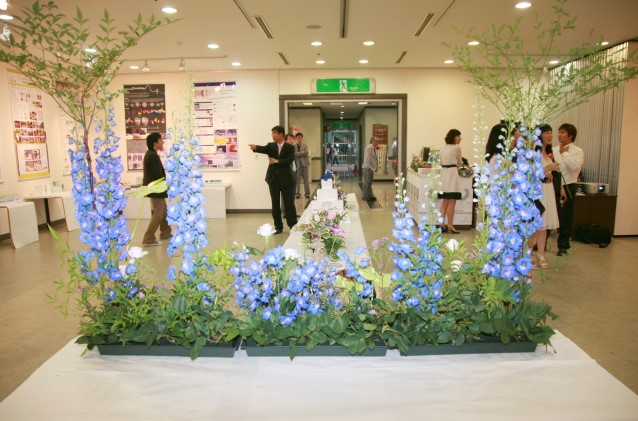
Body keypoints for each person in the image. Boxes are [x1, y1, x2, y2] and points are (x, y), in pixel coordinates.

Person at [249, 125, 297, 234]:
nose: (273, 135)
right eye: (272, 133)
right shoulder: (270, 146)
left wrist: (277, 161)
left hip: (286, 180)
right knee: (275, 204)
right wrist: (255, 147)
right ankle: (278, 226)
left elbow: (289, 160)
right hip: (273, 180)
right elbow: (263, 148)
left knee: (289, 203)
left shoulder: (290, 147)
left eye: (275, 133)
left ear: (281, 134)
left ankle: (293, 225)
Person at [528, 124, 564, 269]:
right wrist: (548, 168)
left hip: (548, 189)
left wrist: (552, 175)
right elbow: (530, 174)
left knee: (544, 225)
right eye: (546, 133)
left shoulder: (549, 153)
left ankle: (541, 254)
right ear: (539, 135)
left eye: (551, 133)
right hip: (537, 190)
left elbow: (549, 172)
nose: (550, 136)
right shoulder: (532, 153)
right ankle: (529, 254)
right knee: (535, 225)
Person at [554, 123, 584, 256]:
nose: (559, 135)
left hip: (569, 186)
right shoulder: (553, 150)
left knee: (565, 217)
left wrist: (565, 153)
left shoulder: (578, 151)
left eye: (562, 132)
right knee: (549, 213)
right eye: (558, 132)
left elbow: (574, 167)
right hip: (554, 185)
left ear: (570, 135)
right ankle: (541, 241)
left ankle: (563, 245)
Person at [142, 132, 172, 246]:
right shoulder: (152, 156)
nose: (162, 142)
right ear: (155, 143)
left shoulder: (151, 154)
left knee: (164, 212)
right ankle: (148, 239)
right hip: (156, 190)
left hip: (157, 189)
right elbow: (157, 175)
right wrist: (166, 184)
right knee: (158, 214)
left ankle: (165, 233)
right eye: (160, 140)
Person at [438, 129, 463, 234]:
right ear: (454, 137)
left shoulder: (442, 148)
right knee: (452, 202)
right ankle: (450, 225)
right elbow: (460, 162)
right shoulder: (457, 147)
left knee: (444, 202)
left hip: (443, 174)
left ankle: (441, 224)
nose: (460, 138)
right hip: (452, 174)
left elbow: (440, 162)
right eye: (459, 136)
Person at [361, 137, 379, 201]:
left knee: (369, 182)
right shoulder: (369, 148)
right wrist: (370, 167)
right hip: (367, 168)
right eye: (376, 141)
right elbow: (367, 159)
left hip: (370, 168)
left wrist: (374, 168)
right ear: (372, 141)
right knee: (367, 182)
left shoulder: (373, 148)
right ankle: (365, 195)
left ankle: (370, 195)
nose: (377, 142)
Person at [294, 132, 311, 199]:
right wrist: (302, 152)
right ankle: (297, 193)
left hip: (304, 165)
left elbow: (306, 153)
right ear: (296, 138)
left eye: (300, 137)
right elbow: (294, 154)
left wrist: (299, 153)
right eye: (298, 137)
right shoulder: (293, 146)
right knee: (297, 180)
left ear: (302, 138)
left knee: (306, 180)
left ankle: (307, 193)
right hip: (297, 165)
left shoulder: (305, 145)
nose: (299, 138)